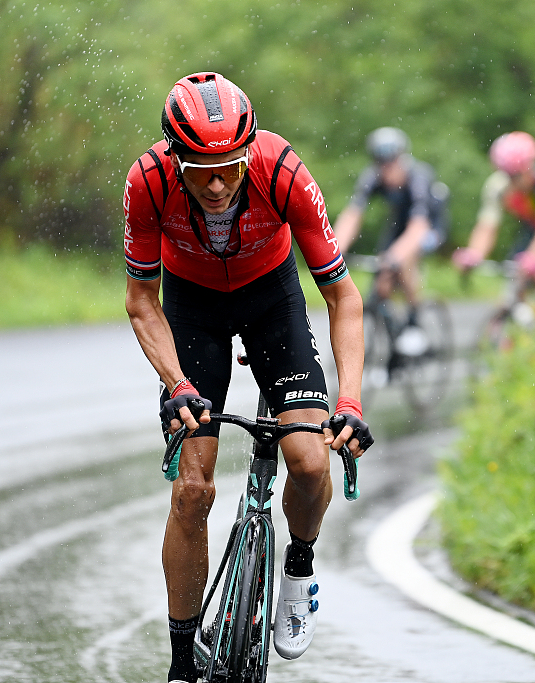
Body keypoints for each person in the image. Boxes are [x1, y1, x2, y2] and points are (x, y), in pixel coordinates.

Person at [122, 72, 373, 683]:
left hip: (271, 300)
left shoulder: (282, 170)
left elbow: (343, 298)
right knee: (193, 490)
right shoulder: (147, 182)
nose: (215, 184)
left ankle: (299, 566)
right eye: (200, 170)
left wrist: (350, 400)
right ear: (174, 158)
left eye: (229, 168)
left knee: (311, 462)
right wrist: (179, 384)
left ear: (248, 152)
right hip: (193, 307)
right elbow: (140, 301)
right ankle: (183, 662)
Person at [452, 131, 535, 312]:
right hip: (534, 226)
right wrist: (474, 254)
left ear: (529, 167)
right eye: (507, 175)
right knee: (515, 282)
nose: (512, 181)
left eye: (516, 175)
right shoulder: (497, 187)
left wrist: (533, 257)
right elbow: (487, 226)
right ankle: (518, 327)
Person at [332, 127, 449, 322]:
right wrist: (335, 250)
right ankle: (391, 325)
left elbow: (418, 227)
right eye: (381, 163)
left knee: (403, 263)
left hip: (429, 225)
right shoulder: (372, 176)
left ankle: (414, 319)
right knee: (381, 280)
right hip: (399, 224)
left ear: (402, 158)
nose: (387, 169)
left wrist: (396, 256)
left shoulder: (418, 177)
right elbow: (353, 215)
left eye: (392, 162)